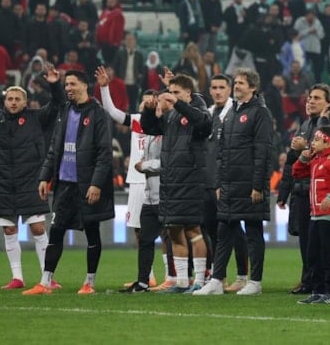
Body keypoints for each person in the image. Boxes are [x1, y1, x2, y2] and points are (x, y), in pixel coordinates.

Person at [0, 64, 62, 290]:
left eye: (18, 99)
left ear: (25, 102)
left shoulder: (36, 118)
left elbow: (57, 105)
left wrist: (55, 85)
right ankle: (17, 278)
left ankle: (48, 277)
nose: (13, 102)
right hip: (3, 184)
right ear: (4, 101)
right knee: (9, 230)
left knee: (38, 228)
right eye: (10, 99)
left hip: (31, 182)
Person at [23, 70, 115, 295]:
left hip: (87, 184)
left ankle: (89, 283)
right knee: (56, 231)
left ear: (84, 85)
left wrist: (96, 184)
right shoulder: (64, 110)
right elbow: (54, 147)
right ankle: (45, 282)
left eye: (72, 84)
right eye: (66, 85)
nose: (68, 88)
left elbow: (104, 153)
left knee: (92, 232)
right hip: (65, 184)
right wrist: (44, 176)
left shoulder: (98, 114)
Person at [197, 68, 272, 296]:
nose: (237, 86)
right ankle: (217, 280)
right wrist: (219, 183)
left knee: (253, 231)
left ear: (253, 87)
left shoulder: (260, 113)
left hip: (249, 185)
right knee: (223, 232)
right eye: (236, 82)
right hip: (229, 185)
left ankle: (255, 281)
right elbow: (221, 153)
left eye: (241, 83)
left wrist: (258, 185)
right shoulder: (231, 113)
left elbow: (263, 152)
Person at [140, 73, 212, 293]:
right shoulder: (171, 116)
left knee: (193, 230)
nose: (171, 96)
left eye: (176, 92)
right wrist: (149, 110)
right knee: (173, 230)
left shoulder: (198, 111)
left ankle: (199, 280)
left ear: (188, 93)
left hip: (190, 179)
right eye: (169, 92)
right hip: (170, 181)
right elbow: (150, 128)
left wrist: (178, 103)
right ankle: (181, 281)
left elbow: (203, 123)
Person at [96, 66, 161, 291]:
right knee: (138, 230)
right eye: (145, 101)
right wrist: (104, 88)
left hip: (157, 179)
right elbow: (112, 111)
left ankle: (173, 276)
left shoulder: (163, 122)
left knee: (167, 231)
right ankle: (148, 276)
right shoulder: (136, 121)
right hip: (136, 180)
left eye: (152, 100)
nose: (147, 104)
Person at [278, 83, 330, 294]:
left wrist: (305, 147)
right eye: (310, 97)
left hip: (318, 191)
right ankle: (308, 279)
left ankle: (319, 281)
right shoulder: (305, 124)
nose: (311, 101)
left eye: (317, 98)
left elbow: (327, 156)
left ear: (328, 104)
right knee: (305, 240)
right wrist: (284, 191)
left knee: (317, 240)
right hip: (301, 190)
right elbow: (291, 162)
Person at [293, 123, 330, 304]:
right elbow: (296, 173)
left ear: (328, 143)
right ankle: (318, 291)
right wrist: (303, 158)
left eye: (317, 140)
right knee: (314, 256)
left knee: (329, 256)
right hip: (316, 215)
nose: (312, 142)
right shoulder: (316, 161)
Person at [205, 74, 250, 292]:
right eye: (214, 87)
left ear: (229, 89)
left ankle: (242, 276)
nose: (217, 91)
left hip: (228, 181)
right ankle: (219, 276)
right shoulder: (209, 113)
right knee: (213, 230)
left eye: (222, 87)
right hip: (209, 181)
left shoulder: (235, 113)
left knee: (235, 229)